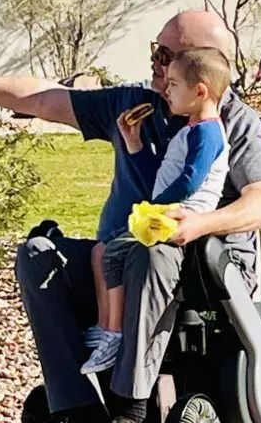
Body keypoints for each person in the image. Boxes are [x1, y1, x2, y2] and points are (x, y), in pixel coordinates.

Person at [0, 9, 261, 423]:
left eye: (165, 54)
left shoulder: (233, 123)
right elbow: (42, 98)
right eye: (155, 51)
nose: (155, 62)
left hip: (196, 268)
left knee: (149, 258)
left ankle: (130, 415)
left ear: (202, 71)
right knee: (40, 255)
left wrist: (196, 225)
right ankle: (78, 411)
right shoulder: (135, 105)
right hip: (120, 254)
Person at [83, 47, 230, 376]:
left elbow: (190, 180)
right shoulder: (191, 130)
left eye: (174, 85)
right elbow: (160, 176)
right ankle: (108, 329)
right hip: (167, 211)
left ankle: (113, 334)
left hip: (177, 217)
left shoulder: (207, 133)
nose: (166, 90)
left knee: (109, 254)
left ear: (200, 91)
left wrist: (158, 206)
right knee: (103, 253)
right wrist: (132, 142)